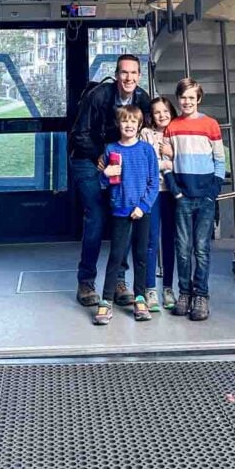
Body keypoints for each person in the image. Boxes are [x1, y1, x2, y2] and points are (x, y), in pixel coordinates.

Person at [68, 54, 151, 308]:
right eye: (124, 73)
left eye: (134, 73)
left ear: (139, 75)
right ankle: (86, 281)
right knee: (96, 216)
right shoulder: (99, 96)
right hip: (88, 158)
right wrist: (99, 157)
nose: (129, 78)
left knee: (123, 215)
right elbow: (78, 134)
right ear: (117, 75)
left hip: (119, 160)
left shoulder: (142, 98)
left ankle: (119, 281)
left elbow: (143, 132)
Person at [164, 77, 225, 321]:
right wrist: (176, 190)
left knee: (201, 249)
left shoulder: (211, 125)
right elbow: (167, 162)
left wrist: (212, 192)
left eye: (191, 97)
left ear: (198, 99)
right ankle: (184, 293)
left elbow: (220, 160)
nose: (187, 101)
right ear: (177, 99)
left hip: (205, 198)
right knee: (182, 249)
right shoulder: (172, 127)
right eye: (183, 97)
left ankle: (201, 295)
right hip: (183, 196)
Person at [93, 105, 159, 326]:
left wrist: (143, 205)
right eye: (125, 121)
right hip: (120, 210)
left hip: (142, 212)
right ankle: (106, 300)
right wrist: (104, 174)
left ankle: (140, 298)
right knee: (116, 257)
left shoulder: (147, 150)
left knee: (140, 256)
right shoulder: (111, 149)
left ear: (139, 125)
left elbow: (154, 183)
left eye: (133, 121)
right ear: (118, 124)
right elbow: (104, 183)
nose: (129, 125)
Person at [140, 96, 178, 311]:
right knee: (151, 239)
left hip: (172, 193)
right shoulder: (146, 133)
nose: (162, 115)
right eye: (157, 112)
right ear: (151, 116)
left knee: (170, 240)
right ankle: (150, 288)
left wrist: (171, 156)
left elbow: (184, 161)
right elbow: (147, 163)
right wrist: (166, 161)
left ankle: (168, 287)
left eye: (165, 111)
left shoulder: (178, 133)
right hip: (153, 192)